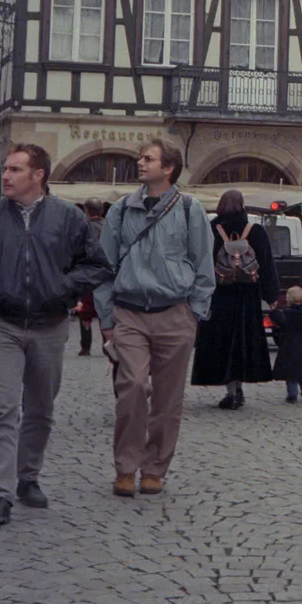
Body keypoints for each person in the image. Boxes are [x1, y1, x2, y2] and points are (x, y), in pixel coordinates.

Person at [0, 146, 109, 528]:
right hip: (2, 323)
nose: (5, 176)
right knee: (1, 408)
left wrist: (61, 289)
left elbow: (95, 265)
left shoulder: (68, 218)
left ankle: (28, 476)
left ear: (39, 175)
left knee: (40, 409)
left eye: (15, 170)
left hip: (50, 325)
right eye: (5, 169)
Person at [95, 139, 215, 498]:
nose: (140, 162)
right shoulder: (120, 210)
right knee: (132, 386)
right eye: (140, 157)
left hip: (175, 314)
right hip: (130, 312)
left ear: (168, 169)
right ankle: (125, 467)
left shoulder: (190, 210)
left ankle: (155, 469)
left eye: (148, 158)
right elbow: (103, 266)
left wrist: (195, 311)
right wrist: (106, 316)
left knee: (167, 398)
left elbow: (203, 265)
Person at [191, 189, 279, 408]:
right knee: (243, 343)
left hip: (219, 294)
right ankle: (238, 387)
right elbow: (267, 264)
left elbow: (200, 262)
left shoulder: (212, 230)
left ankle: (230, 389)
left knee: (222, 343)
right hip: (248, 296)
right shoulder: (256, 231)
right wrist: (271, 296)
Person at [270, 284, 302, 403]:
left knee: (291, 374)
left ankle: (292, 395)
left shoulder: (286, 315)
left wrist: (274, 309)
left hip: (289, 347)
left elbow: (277, 318)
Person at [74, 198, 106, 356]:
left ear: (87, 211)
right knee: (104, 312)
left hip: (87, 274)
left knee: (85, 312)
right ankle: (107, 344)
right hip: (105, 276)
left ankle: (85, 347)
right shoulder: (109, 227)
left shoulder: (83, 227)